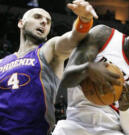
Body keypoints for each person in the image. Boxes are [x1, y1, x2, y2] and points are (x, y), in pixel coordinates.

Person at [53, 12, 129, 135]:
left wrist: (125, 107)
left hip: (111, 131)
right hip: (75, 123)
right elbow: (66, 79)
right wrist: (88, 69)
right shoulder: (104, 35)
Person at [0, 0, 98, 135]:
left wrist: (85, 20)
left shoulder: (49, 50)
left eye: (48, 21)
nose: (44, 22)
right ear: (21, 23)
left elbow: (72, 40)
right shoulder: (2, 63)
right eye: (37, 17)